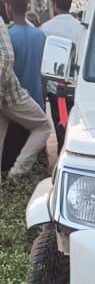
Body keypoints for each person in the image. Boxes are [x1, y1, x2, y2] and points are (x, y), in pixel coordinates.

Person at [0, 14, 50, 183]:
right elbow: (7, 57)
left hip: (10, 96)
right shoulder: (39, 34)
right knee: (43, 126)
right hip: (11, 94)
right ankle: (16, 175)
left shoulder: (13, 32)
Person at [41, 0, 85, 152]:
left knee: (61, 129)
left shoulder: (45, 29)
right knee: (78, 131)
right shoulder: (83, 28)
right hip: (79, 89)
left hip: (57, 91)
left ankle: (62, 158)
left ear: (54, 5)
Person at [4, 0, 46, 108]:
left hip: (16, 106)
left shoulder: (7, 37)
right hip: (37, 102)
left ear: (9, 7)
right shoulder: (40, 35)